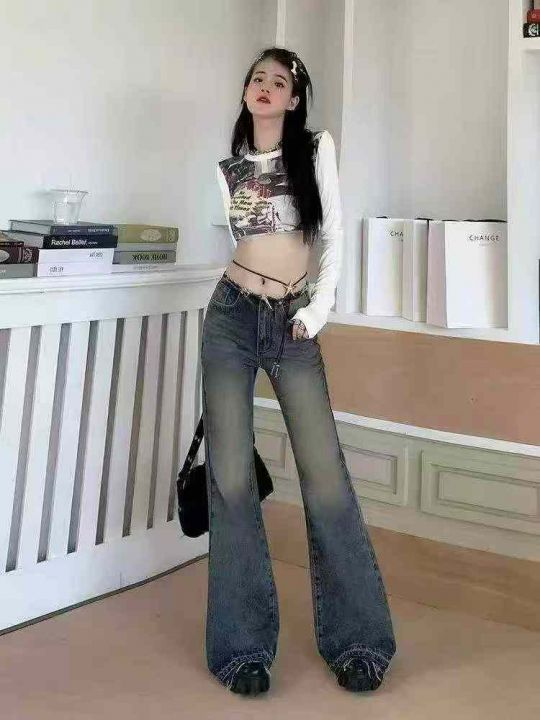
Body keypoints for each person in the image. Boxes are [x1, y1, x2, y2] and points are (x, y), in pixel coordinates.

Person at [201, 46, 396, 696]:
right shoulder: (230, 165)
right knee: (230, 480)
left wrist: (317, 311)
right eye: (257, 78)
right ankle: (242, 650)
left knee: (325, 478)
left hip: (292, 322)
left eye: (278, 81)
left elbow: (332, 233)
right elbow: (239, 243)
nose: (264, 86)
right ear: (247, 92)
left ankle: (358, 641)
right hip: (230, 316)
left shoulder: (315, 150)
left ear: (293, 98)